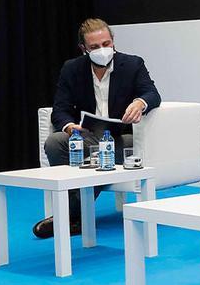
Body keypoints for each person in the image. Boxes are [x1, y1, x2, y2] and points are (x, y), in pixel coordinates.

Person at [34, 18, 161, 238]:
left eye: (106, 44)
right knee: (55, 143)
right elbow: (60, 109)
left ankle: (69, 216)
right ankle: (77, 213)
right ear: (83, 49)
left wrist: (140, 103)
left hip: (123, 140)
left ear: (113, 42)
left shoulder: (132, 64)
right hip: (87, 137)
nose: (102, 50)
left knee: (102, 153)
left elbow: (152, 94)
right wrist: (69, 126)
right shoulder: (72, 69)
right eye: (94, 47)